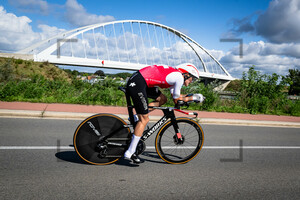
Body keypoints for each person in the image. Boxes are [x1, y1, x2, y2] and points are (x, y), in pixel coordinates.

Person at [124, 63, 205, 164]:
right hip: (139, 83)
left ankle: (137, 116)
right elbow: (177, 99)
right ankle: (130, 152)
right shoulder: (179, 77)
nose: (192, 81)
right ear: (186, 74)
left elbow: (176, 98)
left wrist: (189, 97)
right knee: (144, 119)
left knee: (162, 99)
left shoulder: (176, 76)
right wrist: (194, 98)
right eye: (192, 78)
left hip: (140, 80)